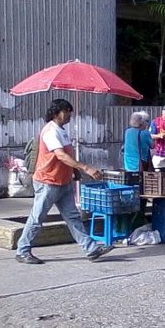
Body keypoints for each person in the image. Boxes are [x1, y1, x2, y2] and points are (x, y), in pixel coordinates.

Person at [16, 99, 114, 264]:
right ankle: (22, 250)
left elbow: (67, 155)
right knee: (37, 217)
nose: (69, 114)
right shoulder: (50, 131)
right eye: (66, 111)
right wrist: (86, 168)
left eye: (69, 111)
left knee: (73, 217)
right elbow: (60, 155)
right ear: (56, 114)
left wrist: (74, 171)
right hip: (48, 181)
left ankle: (91, 249)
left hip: (63, 181)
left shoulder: (61, 131)